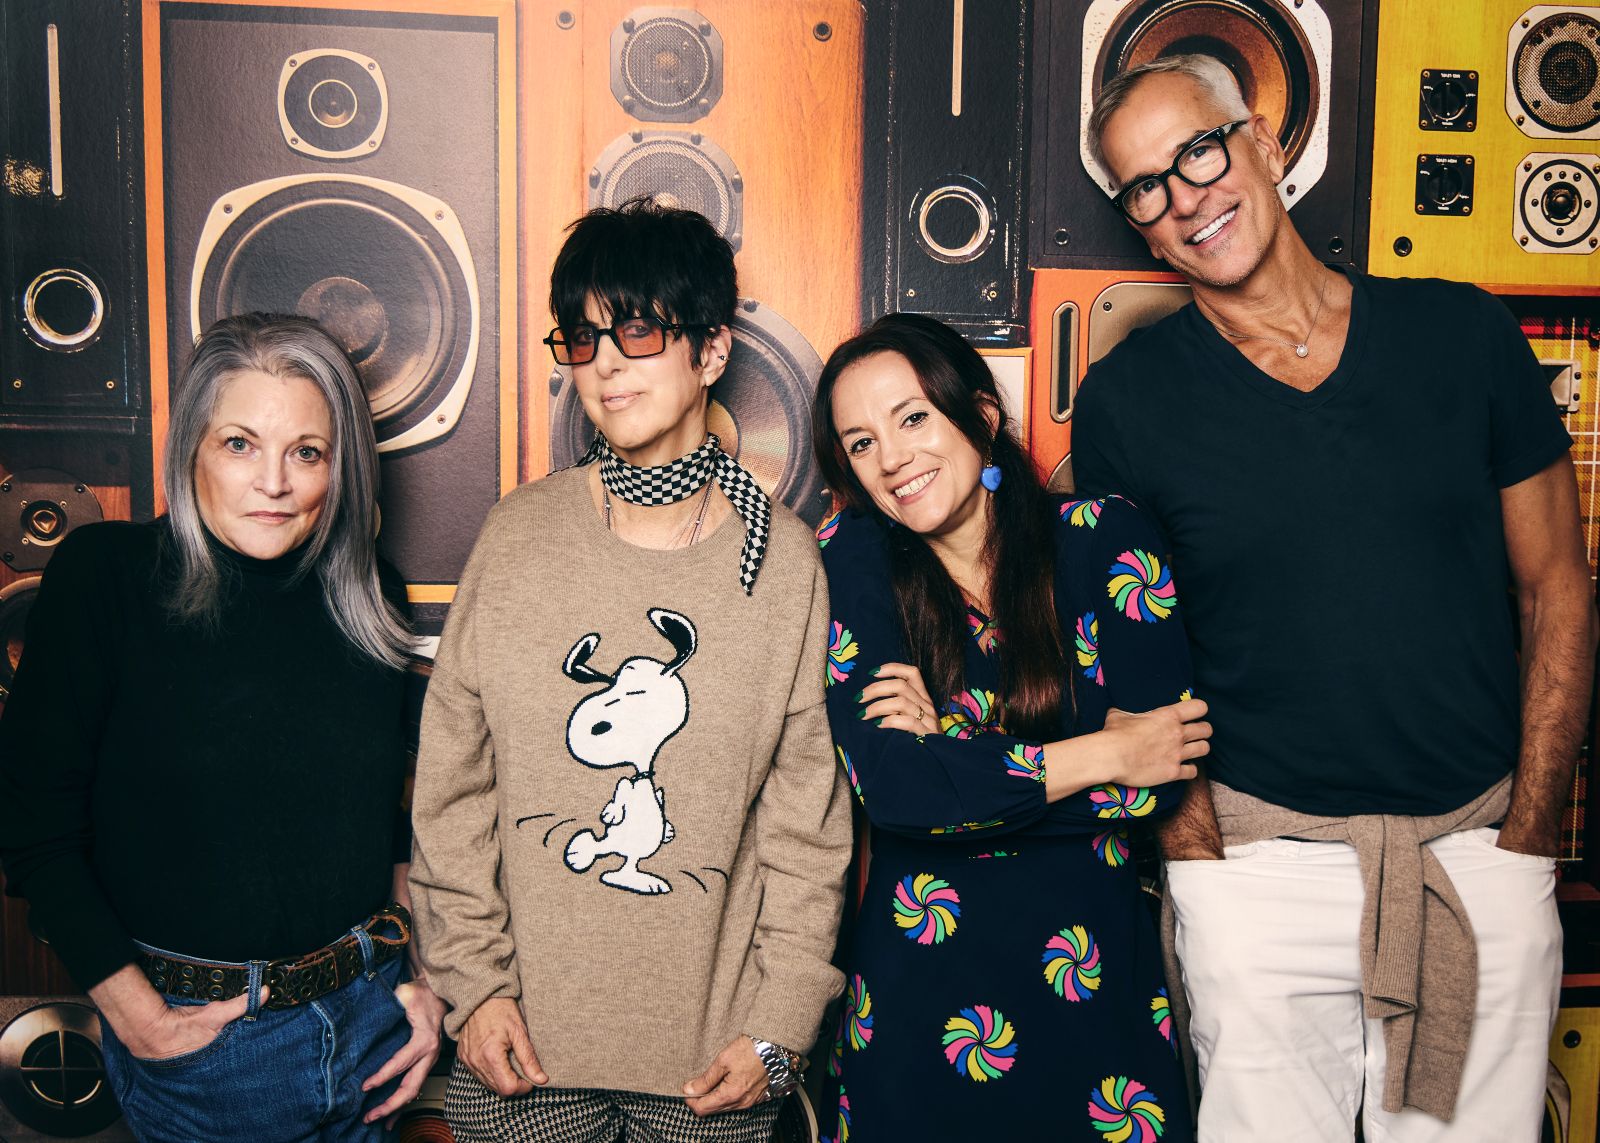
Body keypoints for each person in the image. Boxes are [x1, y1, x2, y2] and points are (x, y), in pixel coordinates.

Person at [1072, 53, 1598, 1142]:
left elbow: (1557, 589)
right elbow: (1127, 650)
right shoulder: (1127, 400)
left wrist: (1530, 836)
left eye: (1198, 152)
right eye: (1145, 188)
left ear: (1265, 144)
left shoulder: (1463, 335)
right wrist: (1200, 862)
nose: (1184, 198)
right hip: (1258, 874)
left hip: (1474, 856)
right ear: (1141, 230)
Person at [407, 197, 852, 1143]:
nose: (605, 363)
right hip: (521, 1057)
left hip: (710, 1072)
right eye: (583, 336)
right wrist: (474, 987)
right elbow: (451, 786)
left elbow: (806, 828)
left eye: (639, 329)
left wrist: (779, 1026)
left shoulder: (782, 561)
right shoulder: (517, 535)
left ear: (713, 350)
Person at [0, 313, 446, 1141]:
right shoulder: (106, 579)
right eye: (241, 444)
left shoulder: (367, 593)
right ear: (192, 451)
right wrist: (142, 1021)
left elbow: (381, 818)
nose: (273, 482)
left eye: (306, 452)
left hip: (370, 1025)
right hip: (208, 1053)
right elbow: (34, 829)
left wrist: (425, 981)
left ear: (340, 467)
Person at [810, 312, 1211, 1142]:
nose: (892, 458)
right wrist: (1106, 750)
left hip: (1092, 992)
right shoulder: (854, 552)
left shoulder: (1105, 537)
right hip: (918, 1001)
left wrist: (955, 761)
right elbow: (898, 793)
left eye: (912, 418)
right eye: (861, 443)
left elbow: (1158, 786)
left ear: (983, 415)